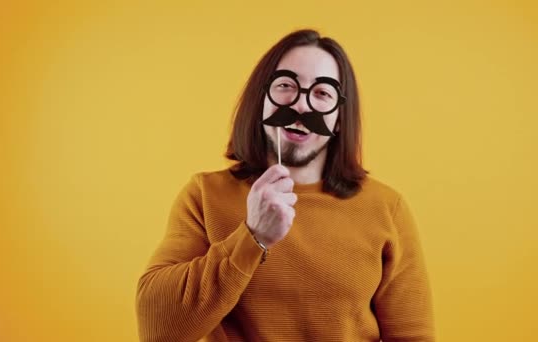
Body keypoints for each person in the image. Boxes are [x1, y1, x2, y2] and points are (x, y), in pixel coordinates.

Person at [136, 29, 435, 342]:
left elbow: (413, 335)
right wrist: (252, 236)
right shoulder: (205, 196)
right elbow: (158, 329)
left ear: (338, 118)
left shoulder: (387, 209)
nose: (302, 106)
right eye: (285, 86)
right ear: (260, 100)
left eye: (322, 93)